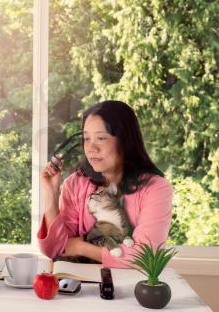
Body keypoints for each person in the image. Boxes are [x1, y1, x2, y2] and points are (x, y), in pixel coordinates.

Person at [37, 100, 173, 268]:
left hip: (131, 289)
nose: (91, 148)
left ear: (125, 141)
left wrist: (81, 247)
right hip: (82, 288)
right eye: (86, 138)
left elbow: (144, 258)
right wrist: (51, 194)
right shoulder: (76, 183)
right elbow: (56, 249)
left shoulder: (156, 189)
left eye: (101, 138)